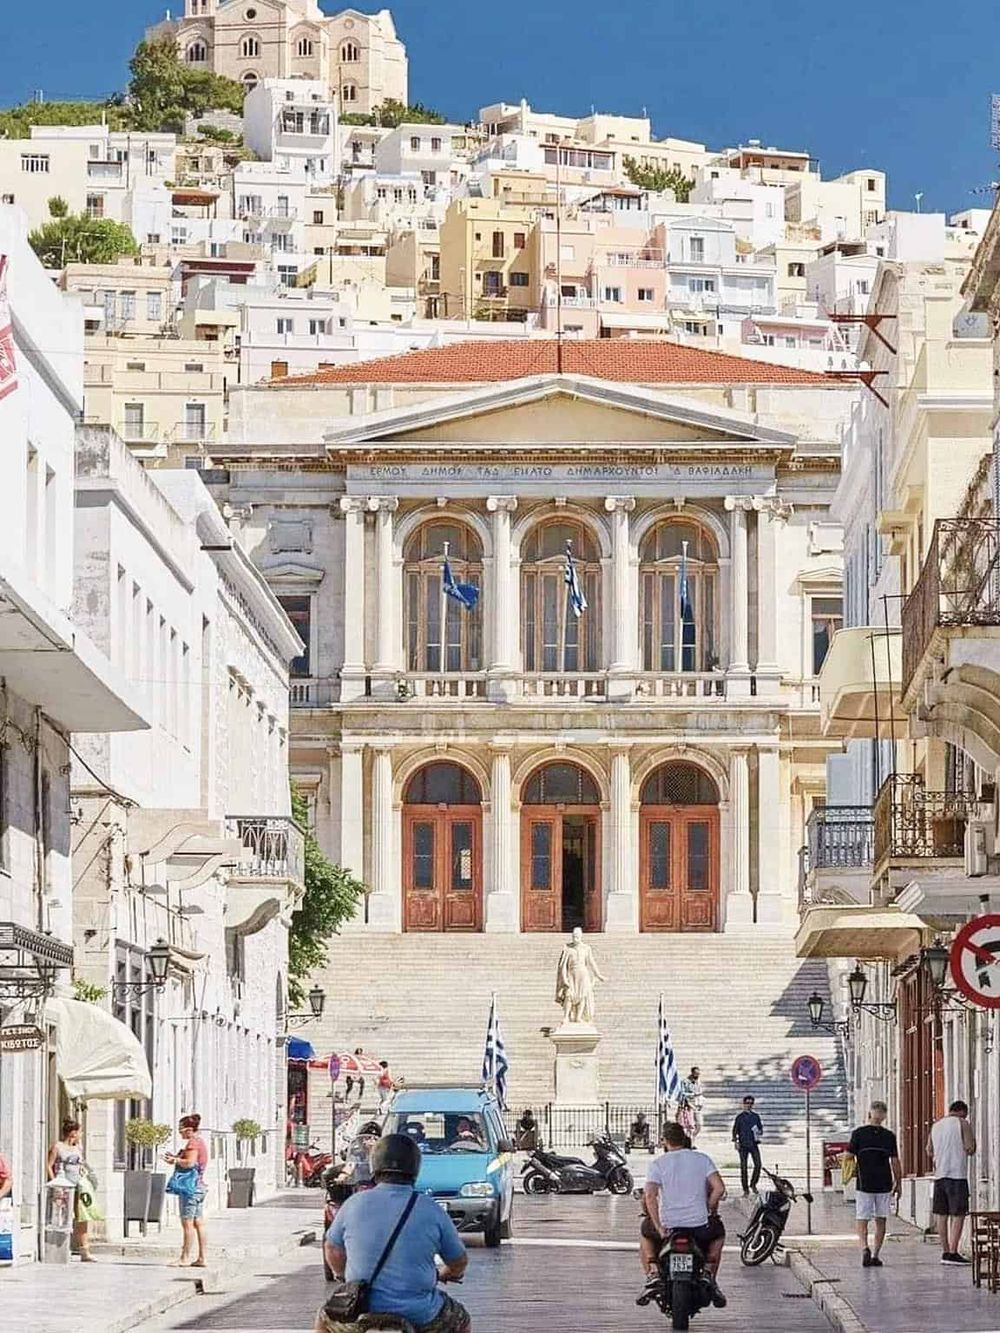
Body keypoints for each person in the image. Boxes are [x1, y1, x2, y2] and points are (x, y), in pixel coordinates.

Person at [322, 1133, 471, 1333]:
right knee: (462, 1320)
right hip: (421, 1314)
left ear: (375, 1166)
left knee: (324, 1318)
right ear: (414, 1168)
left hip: (360, 1310)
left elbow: (332, 1248)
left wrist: (343, 1277)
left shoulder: (353, 1203)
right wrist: (447, 1273)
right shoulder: (431, 1209)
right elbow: (458, 1260)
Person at [638, 1121, 727, 1309]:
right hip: (699, 1225)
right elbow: (719, 1188)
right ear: (685, 1139)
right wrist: (709, 1208)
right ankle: (708, 1272)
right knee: (718, 1234)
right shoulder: (703, 1159)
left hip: (669, 1225)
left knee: (645, 1232)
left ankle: (653, 1272)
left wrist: (659, 1227)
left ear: (665, 1141)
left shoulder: (657, 1164)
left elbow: (650, 1196)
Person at [846, 1101, 901, 1268]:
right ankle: (876, 1255)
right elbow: (895, 1161)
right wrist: (899, 1183)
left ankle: (864, 1248)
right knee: (881, 1220)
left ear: (869, 1114)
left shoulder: (858, 1134)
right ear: (884, 1116)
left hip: (864, 1183)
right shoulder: (889, 1136)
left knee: (862, 1219)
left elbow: (848, 1156)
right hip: (884, 1183)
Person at [928, 1099, 976, 1264]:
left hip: (940, 1175)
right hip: (957, 1175)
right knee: (958, 1214)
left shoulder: (936, 1125)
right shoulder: (962, 1123)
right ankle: (953, 1252)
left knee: (942, 1214)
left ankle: (945, 1251)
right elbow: (970, 1148)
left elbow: (929, 1150)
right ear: (963, 1112)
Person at [164, 1113, 209, 1268]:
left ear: (189, 1130)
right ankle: (202, 1257)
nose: (180, 1132)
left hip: (190, 1188)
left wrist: (176, 1160)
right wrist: (177, 1157)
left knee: (187, 1223)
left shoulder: (193, 1143)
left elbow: (189, 1163)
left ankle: (185, 1258)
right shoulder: (200, 1142)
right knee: (199, 1223)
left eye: (181, 1129)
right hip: (200, 1187)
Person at [47, 1119, 94, 1262]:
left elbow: (82, 1166)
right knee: (61, 1216)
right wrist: (54, 1182)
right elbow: (49, 1165)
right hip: (63, 1186)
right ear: (73, 1133)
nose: (81, 1135)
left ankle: (84, 1250)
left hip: (78, 1185)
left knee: (82, 1217)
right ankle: (61, 1247)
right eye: (80, 1132)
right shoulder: (58, 1147)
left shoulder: (78, 1148)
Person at [732, 1095, 763, 1195]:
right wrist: (736, 1142)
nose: (749, 1105)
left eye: (751, 1103)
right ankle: (745, 1189)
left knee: (758, 1165)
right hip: (743, 1145)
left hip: (753, 1144)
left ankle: (753, 1184)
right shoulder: (740, 1117)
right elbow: (735, 1130)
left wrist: (758, 1132)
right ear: (743, 1104)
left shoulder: (756, 1116)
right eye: (747, 1103)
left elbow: (760, 1129)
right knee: (744, 1168)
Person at [679, 1068, 705, 1137]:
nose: (697, 1075)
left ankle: (692, 1137)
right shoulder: (685, 1082)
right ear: (692, 1073)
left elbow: (700, 1092)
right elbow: (682, 1093)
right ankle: (690, 1141)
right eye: (696, 1074)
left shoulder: (698, 1082)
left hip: (698, 1106)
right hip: (688, 1105)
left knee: (699, 1124)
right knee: (689, 1125)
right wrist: (693, 1094)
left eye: (698, 1074)